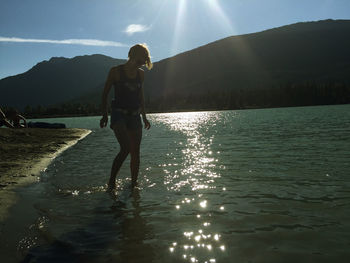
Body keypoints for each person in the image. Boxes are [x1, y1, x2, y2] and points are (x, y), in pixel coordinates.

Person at [100, 44, 152, 189]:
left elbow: (140, 96)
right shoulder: (115, 72)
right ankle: (111, 182)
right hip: (118, 114)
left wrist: (144, 117)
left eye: (145, 60)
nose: (143, 62)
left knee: (135, 152)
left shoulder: (141, 74)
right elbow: (104, 95)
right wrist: (104, 115)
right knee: (126, 148)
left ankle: (134, 186)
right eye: (142, 59)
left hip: (135, 115)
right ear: (133, 55)